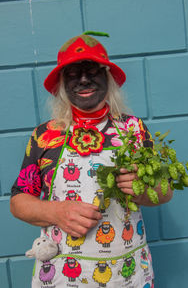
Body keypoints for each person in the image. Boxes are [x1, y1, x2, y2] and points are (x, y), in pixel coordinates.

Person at [10, 32, 173, 288]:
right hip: (63, 275)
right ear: (62, 84)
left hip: (127, 274)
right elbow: (19, 201)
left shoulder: (134, 130)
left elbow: (165, 191)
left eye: (92, 71)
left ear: (107, 78)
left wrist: (144, 190)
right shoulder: (44, 136)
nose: (84, 80)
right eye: (73, 73)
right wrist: (55, 211)